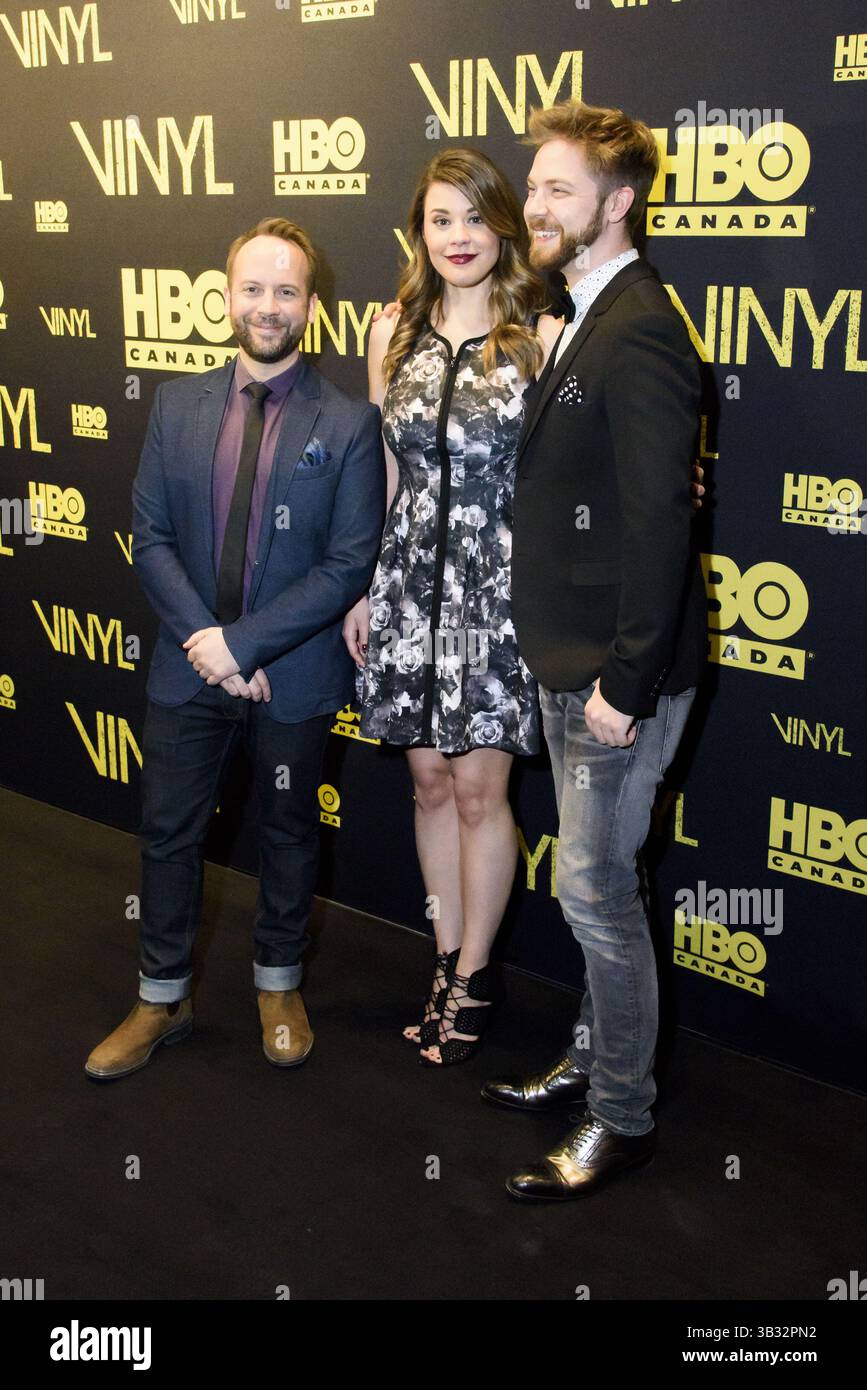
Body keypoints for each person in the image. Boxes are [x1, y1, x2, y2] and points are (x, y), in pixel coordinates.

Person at [85, 217, 385, 1080]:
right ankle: (159, 997)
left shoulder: (351, 422)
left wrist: (246, 646)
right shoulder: (177, 404)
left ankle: (278, 987)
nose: (267, 305)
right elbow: (149, 538)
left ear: (311, 307)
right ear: (225, 298)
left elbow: (345, 563)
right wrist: (208, 647)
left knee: (289, 829)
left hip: (291, 674)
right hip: (188, 670)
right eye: (252, 288)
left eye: (285, 290)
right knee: (168, 835)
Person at [479, 100, 708, 1201]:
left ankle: (624, 1113)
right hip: (573, 660)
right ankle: (593, 1056)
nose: (535, 207)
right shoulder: (582, 311)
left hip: (617, 679)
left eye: (558, 189)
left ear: (619, 204)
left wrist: (626, 679)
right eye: (534, 188)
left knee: (596, 891)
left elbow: (663, 518)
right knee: (594, 888)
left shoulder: (644, 326)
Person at [343, 149, 557, 1066]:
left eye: (472, 218)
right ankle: (444, 957)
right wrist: (367, 583)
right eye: (438, 220)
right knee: (428, 783)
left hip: (495, 597)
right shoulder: (390, 335)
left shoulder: (539, 335)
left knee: (480, 790)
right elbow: (386, 475)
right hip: (405, 591)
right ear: (419, 232)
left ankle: (474, 979)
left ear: (500, 227)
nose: (457, 238)